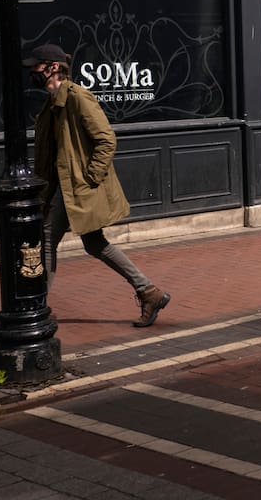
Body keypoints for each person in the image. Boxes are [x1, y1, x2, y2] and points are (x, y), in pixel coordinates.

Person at [26, 43, 171, 328]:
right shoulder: (51, 103)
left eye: (36, 66)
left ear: (53, 67)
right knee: (94, 244)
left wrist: (90, 177)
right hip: (61, 187)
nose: (32, 71)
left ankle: (36, 308)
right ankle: (148, 291)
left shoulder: (78, 97)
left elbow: (106, 139)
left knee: (46, 242)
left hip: (77, 187)